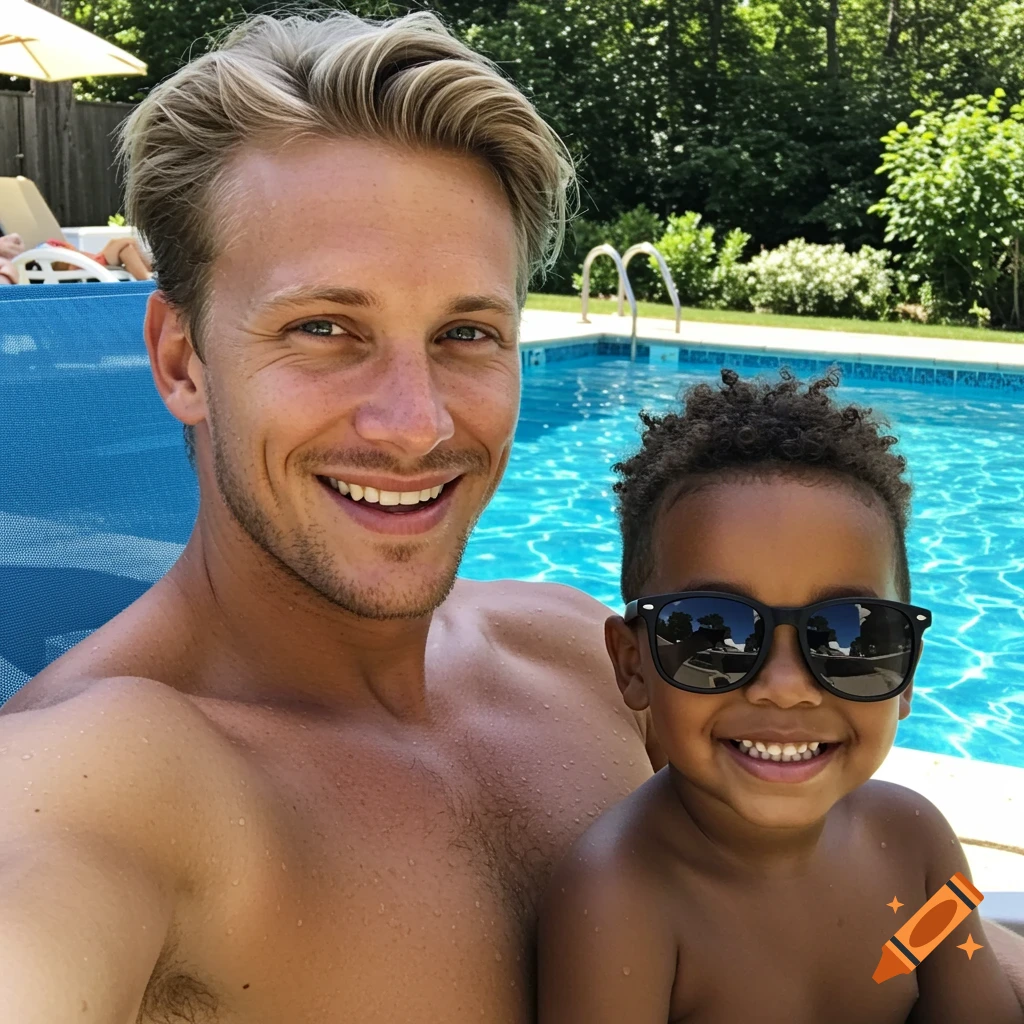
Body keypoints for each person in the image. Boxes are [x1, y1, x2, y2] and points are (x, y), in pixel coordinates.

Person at [0, 10, 1021, 1022]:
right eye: (324, 327)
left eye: (467, 332)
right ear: (182, 359)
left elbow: (877, 912)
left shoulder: (584, 654)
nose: (415, 423)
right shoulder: (106, 778)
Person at [538, 370, 1024, 1024]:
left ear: (906, 675)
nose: (787, 688)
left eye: (853, 635)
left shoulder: (921, 847)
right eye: (716, 634)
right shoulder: (618, 901)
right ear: (633, 665)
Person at [0, 230, 152, 282]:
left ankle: (151, 274)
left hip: (86, 263)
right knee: (124, 244)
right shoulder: (41, 255)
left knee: (127, 244)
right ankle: (147, 278)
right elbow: (60, 262)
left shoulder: (47, 249)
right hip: (83, 265)